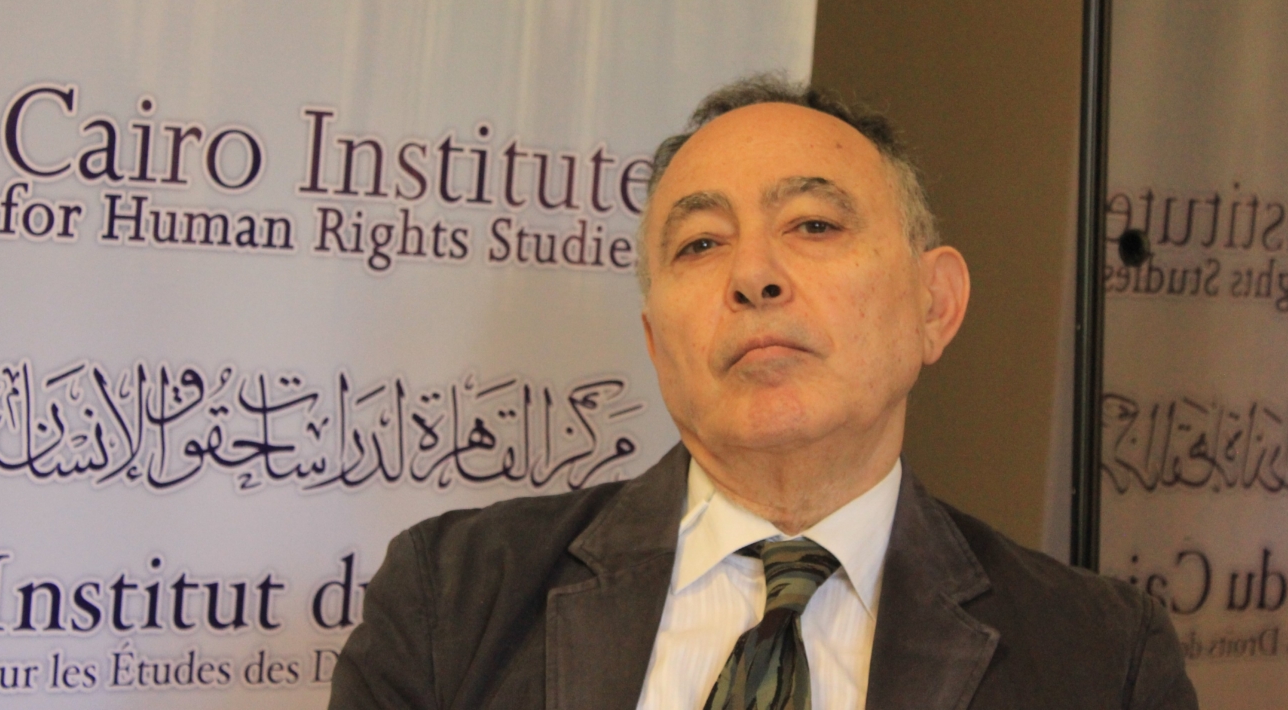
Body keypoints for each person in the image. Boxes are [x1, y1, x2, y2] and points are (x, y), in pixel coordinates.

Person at [328, 75, 1197, 710]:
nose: (753, 275)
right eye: (701, 244)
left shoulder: (1101, 657)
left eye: (814, 225)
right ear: (655, 342)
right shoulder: (453, 598)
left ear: (935, 306)